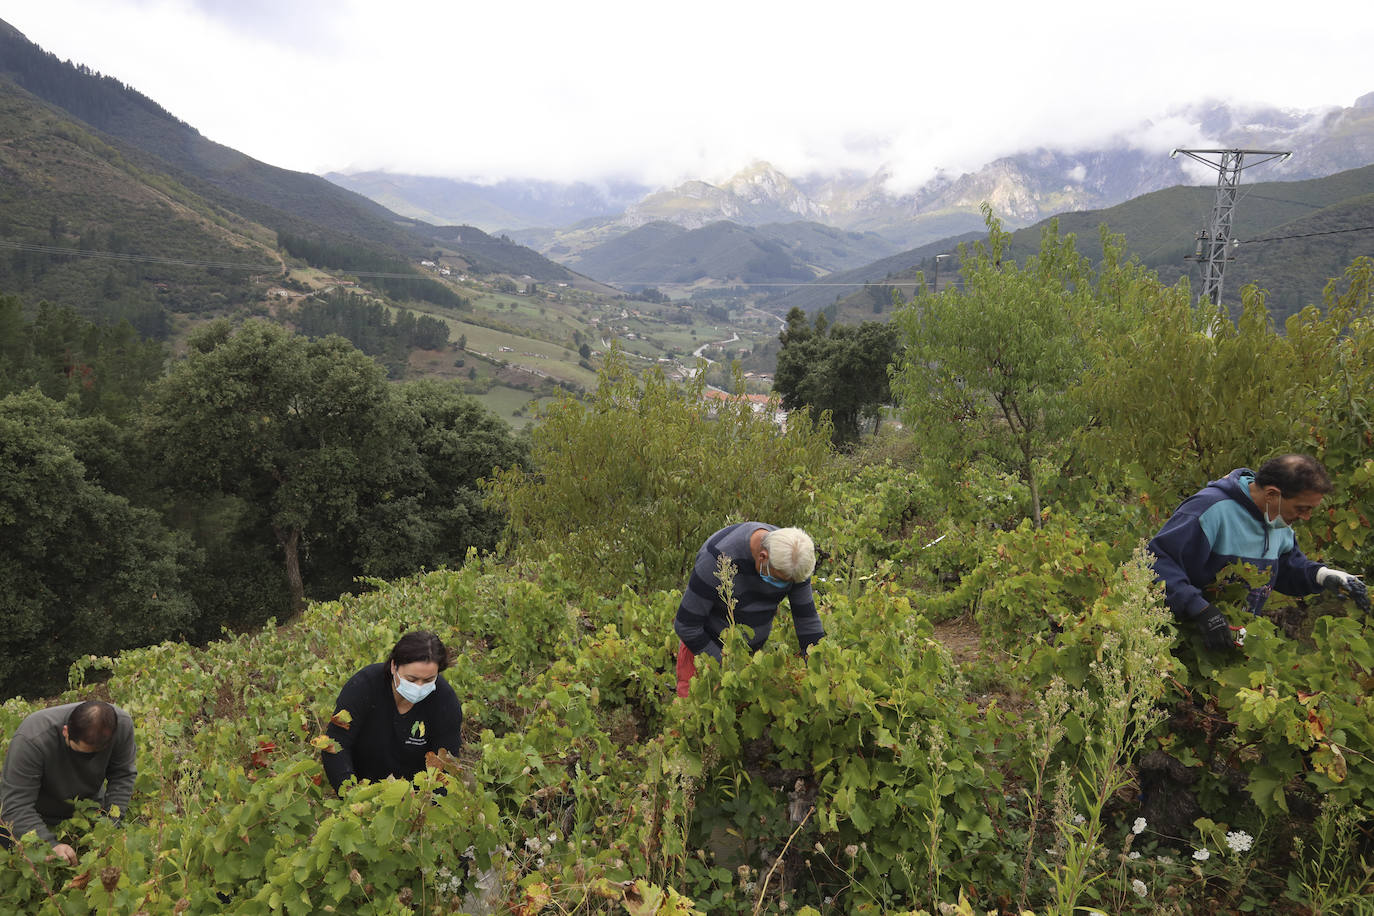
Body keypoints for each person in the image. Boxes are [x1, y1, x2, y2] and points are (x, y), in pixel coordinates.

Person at [1148, 454, 1369, 650]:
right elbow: (1156, 561)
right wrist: (1200, 610)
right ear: (1272, 494)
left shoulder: (1278, 520)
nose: (1307, 517)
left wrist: (1324, 576)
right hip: (1179, 641)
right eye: (1302, 508)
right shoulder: (1210, 509)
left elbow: (1287, 569)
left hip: (1230, 642)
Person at [673, 523, 824, 698]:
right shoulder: (716, 559)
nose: (785, 585)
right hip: (702, 654)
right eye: (781, 580)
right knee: (692, 717)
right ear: (763, 556)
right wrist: (727, 667)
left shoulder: (794, 560)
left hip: (747, 659)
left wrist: (820, 670)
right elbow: (686, 626)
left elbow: (807, 621)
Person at [321, 631, 463, 793]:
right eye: (411, 679)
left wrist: (424, 809)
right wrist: (350, 795)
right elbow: (336, 742)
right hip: (362, 789)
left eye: (428, 680)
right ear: (393, 666)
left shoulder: (444, 700)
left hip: (414, 797)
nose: (419, 686)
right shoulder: (364, 686)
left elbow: (445, 764)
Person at [0, 700, 136, 865]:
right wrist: (48, 845)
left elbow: (122, 775)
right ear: (66, 731)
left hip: (85, 811)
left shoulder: (120, 725)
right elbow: (16, 805)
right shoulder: (32, 738)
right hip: (33, 816)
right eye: (80, 752)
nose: (86, 761)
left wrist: (110, 823)